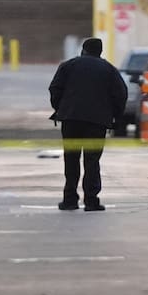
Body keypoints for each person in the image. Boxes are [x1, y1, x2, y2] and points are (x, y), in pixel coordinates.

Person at [48, 37, 128, 211]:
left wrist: (61, 108)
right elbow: (121, 94)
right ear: (100, 52)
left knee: (71, 159)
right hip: (97, 122)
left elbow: (55, 88)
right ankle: (91, 200)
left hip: (71, 119)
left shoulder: (68, 66)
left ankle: (70, 199)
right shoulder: (109, 69)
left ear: (83, 49)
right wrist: (114, 116)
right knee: (92, 160)